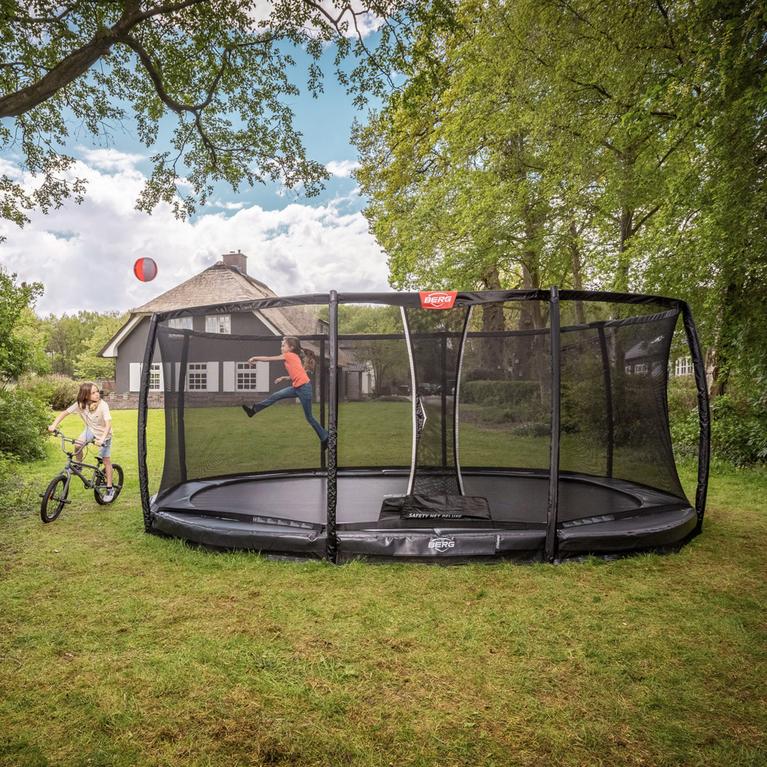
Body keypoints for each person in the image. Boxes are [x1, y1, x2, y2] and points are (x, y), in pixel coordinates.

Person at [242, 336, 328, 447]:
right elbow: (298, 373)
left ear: (291, 347)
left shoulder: (289, 355)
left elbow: (269, 359)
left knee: (309, 417)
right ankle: (253, 410)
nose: (281, 347)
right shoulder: (294, 356)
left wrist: (254, 358)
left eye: (283, 345)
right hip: (297, 388)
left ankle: (325, 437)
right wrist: (284, 378)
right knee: (276, 395)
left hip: (304, 389)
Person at [49, 382, 116, 501]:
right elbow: (64, 413)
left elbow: (108, 424)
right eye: (93, 393)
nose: (97, 394)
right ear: (85, 395)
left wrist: (101, 439)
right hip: (90, 430)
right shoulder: (80, 404)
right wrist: (53, 425)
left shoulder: (103, 405)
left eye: (97, 392)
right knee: (77, 444)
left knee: (106, 460)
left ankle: (110, 488)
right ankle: (78, 466)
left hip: (104, 434)